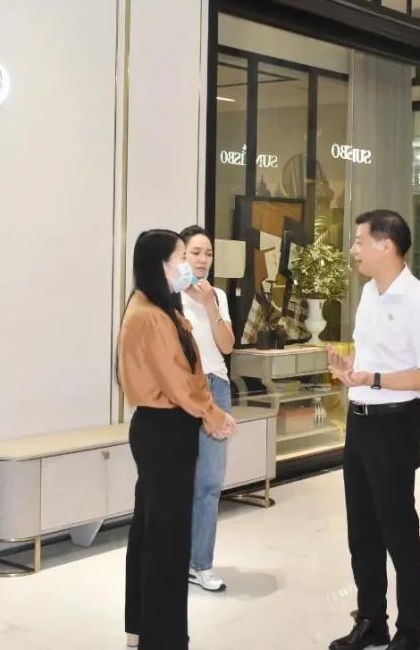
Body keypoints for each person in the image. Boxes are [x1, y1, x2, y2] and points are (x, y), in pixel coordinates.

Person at [327, 210, 420, 650]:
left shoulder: (419, 302)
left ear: (386, 245)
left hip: (395, 424)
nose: (353, 250)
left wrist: (374, 379)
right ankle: (371, 620)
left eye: (360, 241)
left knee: (398, 530)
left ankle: (412, 632)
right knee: (362, 531)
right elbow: (370, 356)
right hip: (359, 422)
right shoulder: (368, 294)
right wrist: (351, 369)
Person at [117, 229, 237, 649]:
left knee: (151, 532)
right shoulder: (151, 314)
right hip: (165, 430)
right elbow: (177, 379)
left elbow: (191, 367)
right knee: (166, 540)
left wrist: (207, 409)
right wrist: (211, 413)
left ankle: (141, 629)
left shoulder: (150, 306)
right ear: (161, 265)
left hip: (163, 428)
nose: (190, 265)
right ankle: (163, 637)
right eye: (182, 256)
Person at [178, 225, 236, 593]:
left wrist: (211, 305)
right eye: (196, 252)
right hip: (182, 390)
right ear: (181, 255)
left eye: (208, 253)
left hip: (217, 388)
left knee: (211, 482)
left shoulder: (218, 295)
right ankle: (176, 558)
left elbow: (227, 346)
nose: (203, 259)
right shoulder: (169, 296)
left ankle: (201, 563)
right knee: (179, 480)